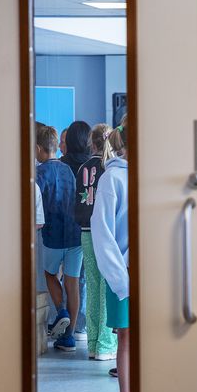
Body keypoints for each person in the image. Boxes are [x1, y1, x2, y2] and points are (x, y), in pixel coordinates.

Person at [91, 121, 130, 392]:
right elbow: (103, 236)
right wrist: (122, 282)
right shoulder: (112, 178)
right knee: (127, 341)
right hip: (125, 279)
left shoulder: (154, 177)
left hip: (158, 279)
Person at [35, 125, 82, 352]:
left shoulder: (39, 173)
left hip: (53, 235)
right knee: (72, 284)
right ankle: (69, 336)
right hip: (74, 234)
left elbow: (35, 206)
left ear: (38, 148)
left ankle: (61, 311)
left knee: (50, 274)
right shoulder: (68, 170)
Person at [76, 123, 118, 361]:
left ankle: (92, 343)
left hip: (85, 231)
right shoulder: (109, 168)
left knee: (91, 286)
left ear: (91, 143)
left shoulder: (83, 167)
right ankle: (105, 344)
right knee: (107, 287)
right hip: (104, 232)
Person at [61, 120, 92, 338]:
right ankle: (80, 324)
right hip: (86, 227)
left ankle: (65, 324)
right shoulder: (93, 165)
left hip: (62, 227)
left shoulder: (61, 164)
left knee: (65, 278)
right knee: (83, 278)